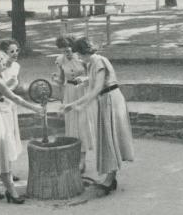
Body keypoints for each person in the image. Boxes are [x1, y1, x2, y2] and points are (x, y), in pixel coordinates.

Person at [62, 37, 134, 194]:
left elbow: (96, 89)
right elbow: (93, 85)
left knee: (110, 138)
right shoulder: (92, 63)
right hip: (104, 99)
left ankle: (110, 179)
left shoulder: (98, 61)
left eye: (80, 55)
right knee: (106, 138)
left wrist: (78, 104)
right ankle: (110, 177)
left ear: (85, 52)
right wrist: (71, 104)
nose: (79, 58)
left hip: (111, 100)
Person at [0, 49, 43, 204]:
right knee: (2, 151)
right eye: (3, 64)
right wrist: (35, 108)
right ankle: (12, 192)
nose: (5, 67)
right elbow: (15, 98)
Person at [51, 36, 95, 174]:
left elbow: (92, 77)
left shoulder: (82, 59)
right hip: (69, 93)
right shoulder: (60, 60)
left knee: (82, 125)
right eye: (64, 51)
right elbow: (61, 80)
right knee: (71, 126)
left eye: (69, 50)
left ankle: (82, 161)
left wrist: (83, 80)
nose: (67, 53)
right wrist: (55, 79)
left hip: (82, 92)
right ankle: (74, 159)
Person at [0, 39, 24, 182]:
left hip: (11, 104)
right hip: (1, 105)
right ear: (4, 53)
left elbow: (17, 85)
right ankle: (4, 171)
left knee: (12, 136)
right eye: (11, 51)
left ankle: (8, 170)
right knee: (5, 136)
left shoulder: (16, 66)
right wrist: (6, 85)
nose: (15, 54)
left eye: (17, 51)